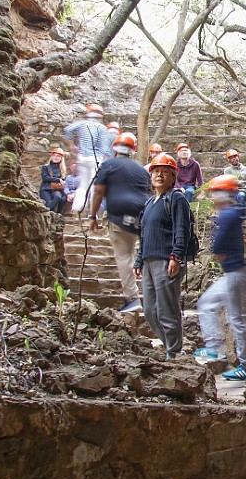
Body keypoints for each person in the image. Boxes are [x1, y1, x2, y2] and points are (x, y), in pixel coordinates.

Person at [193, 175, 246, 380]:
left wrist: (218, 250)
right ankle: (214, 347)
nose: (213, 196)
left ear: (225, 193)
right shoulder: (229, 214)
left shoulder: (228, 215)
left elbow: (218, 246)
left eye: (215, 192)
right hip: (233, 272)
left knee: (236, 319)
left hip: (234, 273)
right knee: (207, 304)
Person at [133, 153, 192, 360]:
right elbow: (144, 233)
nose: (159, 175)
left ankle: (174, 352)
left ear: (173, 177)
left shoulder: (176, 198)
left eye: (165, 172)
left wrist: (176, 256)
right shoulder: (150, 202)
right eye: (156, 172)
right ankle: (170, 346)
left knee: (167, 309)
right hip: (149, 261)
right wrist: (139, 259)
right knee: (150, 310)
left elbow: (181, 230)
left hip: (166, 261)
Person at [89, 132, 151, 313]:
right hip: (143, 216)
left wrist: (93, 217)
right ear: (132, 150)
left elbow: (99, 191)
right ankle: (152, 296)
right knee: (145, 257)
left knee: (125, 256)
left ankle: (132, 299)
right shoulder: (141, 169)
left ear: (114, 148)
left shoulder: (108, 165)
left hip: (118, 216)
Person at [63, 103, 114, 213]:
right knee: (94, 186)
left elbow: (67, 130)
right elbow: (105, 149)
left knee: (83, 185)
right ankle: (93, 212)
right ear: (100, 116)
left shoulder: (82, 124)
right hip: (96, 159)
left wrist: (71, 145)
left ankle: (78, 207)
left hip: (82, 158)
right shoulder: (102, 128)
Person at [40, 148, 67, 215]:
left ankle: (58, 215)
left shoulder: (62, 169)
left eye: (58, 156)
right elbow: (45, 178)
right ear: (51, 156)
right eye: (54, 155)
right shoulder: (46, 167)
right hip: (45, 189)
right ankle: (46, 212)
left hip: (56, 189)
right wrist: (58, 180)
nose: (56, 157)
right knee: (49, 203)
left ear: (61, 158)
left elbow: (64, 181)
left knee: (59, 197)